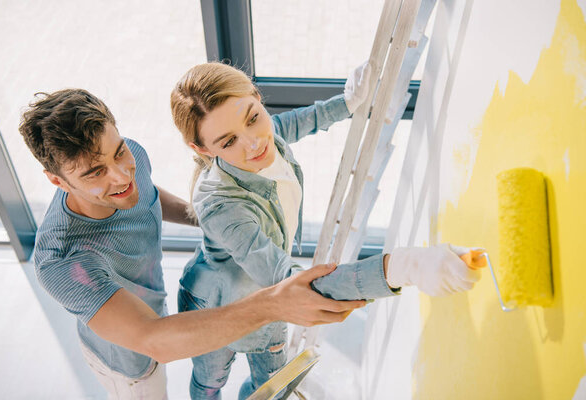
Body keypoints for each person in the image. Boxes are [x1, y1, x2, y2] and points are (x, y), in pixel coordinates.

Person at [19, 88, 370, 400]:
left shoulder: (132, 158)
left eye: (119, 151)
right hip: (129, 360)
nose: (121, 174)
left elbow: (149, 196)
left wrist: (208, 216)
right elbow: (153, 339)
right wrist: (275, 304)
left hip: (156, 308)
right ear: (57, 181)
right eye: (95, 173)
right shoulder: (62, 262)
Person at [170, 62, 483, 400]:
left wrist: (348, 102)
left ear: (257, 99)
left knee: (269, 388)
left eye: (253, 117)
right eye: (228, 141)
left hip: (267, 305)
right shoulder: (219, 207)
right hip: (212, 307)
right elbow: (285, 279)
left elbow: (299, 122)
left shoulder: (265, 136)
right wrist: (405, 267)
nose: (253, 144)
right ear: (201, 149)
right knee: (209, 383)